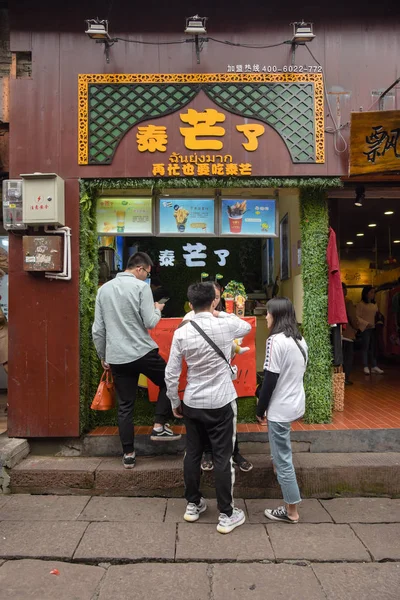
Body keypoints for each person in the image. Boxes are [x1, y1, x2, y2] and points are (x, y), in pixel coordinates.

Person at [165, 282, 251, 534]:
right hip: (222, 401)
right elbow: (245, 326)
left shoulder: (181, 331)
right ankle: (226, 514)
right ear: (214, 301)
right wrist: (219, 312)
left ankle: (193, 504)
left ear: (190, 304)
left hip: (192, 401)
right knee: (223, 457)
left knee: (192, 454)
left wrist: (174, 402)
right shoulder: (225, 324)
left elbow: (171, 373)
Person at [92, 251, 181, 470]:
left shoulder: (103, 290)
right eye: (147, 274)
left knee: (125, 406)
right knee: (169, 379)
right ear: (139, 269)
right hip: (142, 352)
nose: (147, 279)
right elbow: (150, 322)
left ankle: (129, 454)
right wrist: (158, 310)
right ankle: (159, 425)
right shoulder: (141, 288)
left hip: (117, 357)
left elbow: (98, 329)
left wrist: (104, 356)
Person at [182, 282, 253, 472]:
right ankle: (207, 454)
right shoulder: (189, 319)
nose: (215, 300)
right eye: (212, 296)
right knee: (205, 423)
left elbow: (243, 329)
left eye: (217, 296)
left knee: (229, 423)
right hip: (201, 385)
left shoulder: (223, 316)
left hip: (222, 383)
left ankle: (234, 453)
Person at [256, 297, 308, 524]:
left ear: (276, 315)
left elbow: (270, 379)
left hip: (280, 407)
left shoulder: (275, 341)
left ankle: (291, 510)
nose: (266, 317)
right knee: (280, 455)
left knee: (284, 459)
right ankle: (277, 464)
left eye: (267, 313)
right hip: (295, 402)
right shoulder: (299, 339)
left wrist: (260, 408)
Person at [356, 285, 384, 375]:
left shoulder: (374, 304)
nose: (373, 294)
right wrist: (366, 324)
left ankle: (374, 365)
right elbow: (357, 317)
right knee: (365, 347)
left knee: (373, 347)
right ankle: (365, 365)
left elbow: (377, 314)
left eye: (373, 292)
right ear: (366, 293)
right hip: (366, 328)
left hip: (374, 328)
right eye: (371, 292)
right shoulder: (361, 304)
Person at [341, 283, 359, 385]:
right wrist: (357, 328)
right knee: (348, 357)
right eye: (345, 288)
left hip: (338, 334)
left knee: (341, 356)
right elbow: (352, 317)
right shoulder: (347, 302)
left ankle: (340, 376)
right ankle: (346, 377)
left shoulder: (332, 301)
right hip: (348, 333)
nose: (346, 290)